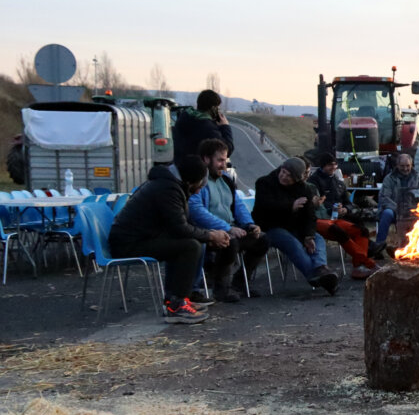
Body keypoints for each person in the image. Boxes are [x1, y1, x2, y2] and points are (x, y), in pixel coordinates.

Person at [109, 155, 229, 323]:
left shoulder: (168, 184)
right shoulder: (167, 189)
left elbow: (181, 226)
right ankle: (177, 305)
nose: (198, 191)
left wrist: (207, 235)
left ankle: (177, 299)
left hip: (138, 239)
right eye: (199, 185)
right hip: (127, 245)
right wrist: (210, 235)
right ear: (190, 180)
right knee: (190, 247)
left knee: (190, 244)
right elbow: (180, 228)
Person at [189, 138, 268, 301]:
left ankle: (240, 282)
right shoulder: (198, 181)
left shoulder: (226, 180)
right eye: (220, 160)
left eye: (225, 160)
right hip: (209, 232)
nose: (224, 165)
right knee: (230, 242)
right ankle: (221, 288)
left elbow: (239, 206)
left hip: (232, 227)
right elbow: (196, 211)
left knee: (262, 240)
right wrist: (227, 228)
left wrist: (249, 224)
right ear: (206, 159)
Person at [253, 158, 339, 294]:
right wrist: (290, 206)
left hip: (294, 227)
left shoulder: (304, 189)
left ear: (296, 179)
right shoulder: (265, 183)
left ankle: (321, 268)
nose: (284, 177)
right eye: (283, 172)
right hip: (270, 226)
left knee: (318, 239)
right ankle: (317, 277)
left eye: (289, 176)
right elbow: (264, 207)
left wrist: (308, 235)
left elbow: (309, 216)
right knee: (292, 244)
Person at [310, 153, 379, 279]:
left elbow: (348, 202)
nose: (333, 167)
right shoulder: (313, 182)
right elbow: (317, 206)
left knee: (361, 229)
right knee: (340, 231)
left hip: (338, 217)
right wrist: (332, 209)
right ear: (323, 165)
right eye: (330, 165)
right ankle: (368, 262)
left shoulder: (338, 183)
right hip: (321, 219)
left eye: (335, 164)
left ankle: (360, 264)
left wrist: (345, 209)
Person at [371, 152, 419, 256]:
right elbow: (384, 198)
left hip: (412, 211)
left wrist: (414, 209)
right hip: (394, 210)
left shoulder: (418, 178)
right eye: (402, 166)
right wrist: (398, 209)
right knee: (386, 214)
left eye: (407, 166)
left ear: (411, 165)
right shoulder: (389, 178)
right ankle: (378, 247)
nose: (405, 168)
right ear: (397, 165)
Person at [173, 90, 234, 161]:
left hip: (179, 163)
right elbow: (226, 150)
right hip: (197, 166)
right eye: (218, 108)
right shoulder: (208, 128)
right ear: (213, 108)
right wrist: (225, 126)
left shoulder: (184, 118)